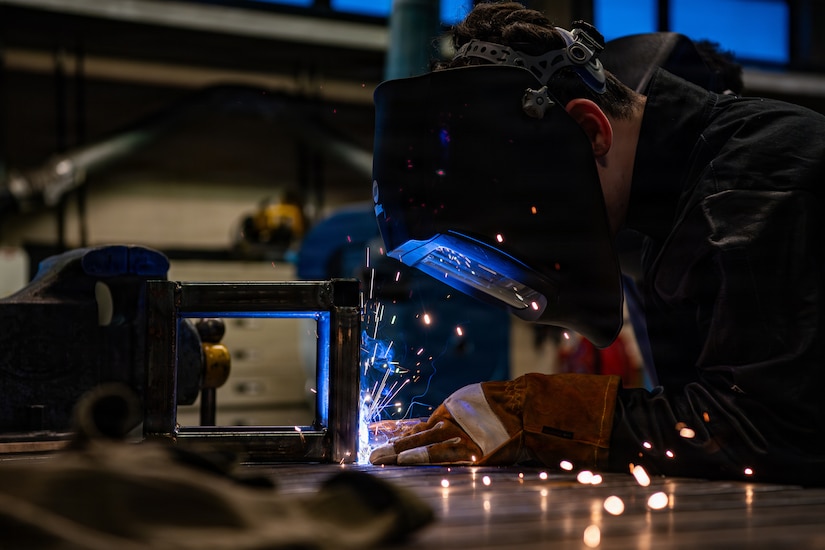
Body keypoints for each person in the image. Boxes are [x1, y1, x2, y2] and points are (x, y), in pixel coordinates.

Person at [368, 0, 825, 485]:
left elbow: (778, 433)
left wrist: (537, 415)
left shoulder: (753, 190)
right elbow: (699, 423)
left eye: (526, 216)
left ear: (590, 132)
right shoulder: (663, 214)